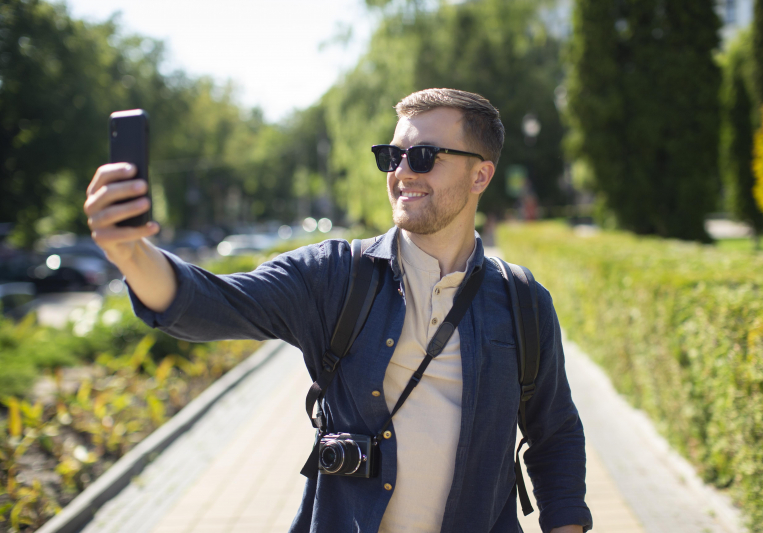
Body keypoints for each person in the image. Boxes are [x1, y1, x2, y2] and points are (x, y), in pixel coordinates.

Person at [84, 88, 593, 533]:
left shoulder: (522, 301)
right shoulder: (335, 277)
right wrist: (131, 254)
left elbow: (555, 434)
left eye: (423, 156)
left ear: (480, 175)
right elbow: (210, 303)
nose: (401, 172)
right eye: (392, 156)